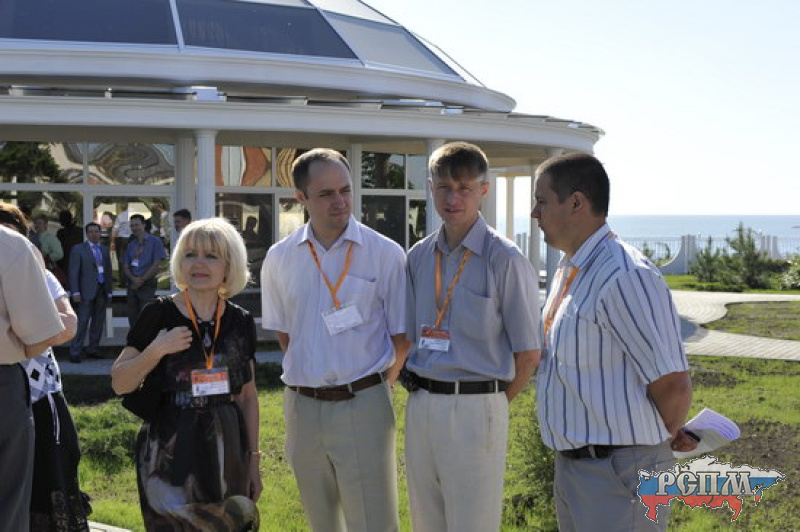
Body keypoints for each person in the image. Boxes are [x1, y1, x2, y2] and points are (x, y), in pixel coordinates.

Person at [531, 152, 695, 532]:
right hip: (576, 470)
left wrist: (655, 444)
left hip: (620, 474)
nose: (535, 213)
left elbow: (673, 384)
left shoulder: (625, 276)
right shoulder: (570, 270)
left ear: (576, 203)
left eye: (541, 201)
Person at [260, 148, 408, 532]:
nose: (339, 201)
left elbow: (402, 336)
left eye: (345, 190)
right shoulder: (279, 258)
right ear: (301, 198)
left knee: (374, 524)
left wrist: (377, 387)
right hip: (302, 408)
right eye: (325, 193)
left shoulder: (385, 254)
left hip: (364, 402)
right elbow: (284, 332)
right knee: (321, 520)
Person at [403, 142, 541, 532]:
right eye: (444, 188)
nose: (453, 199)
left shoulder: (505, 259)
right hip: (421, 403)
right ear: (431, 188)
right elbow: (409, 336)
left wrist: (489, 402)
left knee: (472, 523)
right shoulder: (417, 257)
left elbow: (529, 355)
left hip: (476, 407)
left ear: (484, 190)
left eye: (464, 189)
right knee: (426, 520)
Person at [111, 218, 262, 530]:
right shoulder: (158, 313)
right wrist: (157, 349)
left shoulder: (240, 321)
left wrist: (253, 461)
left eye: (211, 255)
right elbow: (119, 383)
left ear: (229, 265)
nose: (199, 264)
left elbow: (247, 396)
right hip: (169, 445)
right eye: (190, 254)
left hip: (226, 444)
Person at [3, 210, 88, 531]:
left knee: (46, 476)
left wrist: (20, 342)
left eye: (11, 230)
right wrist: (24, 337)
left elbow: (69, 325)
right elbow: (46, 330)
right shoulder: (11, 256)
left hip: (39, 392)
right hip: (12, 386)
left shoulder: (41, 274)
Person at [69, 222, 114, 363]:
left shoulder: (104, 250)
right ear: (87, 234)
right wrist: (75, 292)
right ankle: (75, 351)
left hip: (101, 290)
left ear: (100, 233)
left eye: (96, 231)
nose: (94, 234)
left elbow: (108, 271)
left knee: (98, 323)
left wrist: (109, 291)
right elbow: (73, 272)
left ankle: (93, 349)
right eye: (91, 232)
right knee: (82, 322)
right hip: (85, 292)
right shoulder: (78, 249)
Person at [123, 214, 167, 327]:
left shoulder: (155, 241)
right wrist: (134, 280)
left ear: (144, 225)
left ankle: (145, 339)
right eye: (132, 225)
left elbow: (156, 264)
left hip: (147, 284)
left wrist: (141, 280)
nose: (134, 228)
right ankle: (134, 338)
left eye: (137, 225)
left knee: (146, 317)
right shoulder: (131, 244)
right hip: (132, 285)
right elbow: (126, 266)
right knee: (133, 318)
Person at [56, 210, 84, 288]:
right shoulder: (80, 231)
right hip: (74, 261)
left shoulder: (62, 233)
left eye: (61, 219)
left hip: (66, 262)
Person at [111, 202, 133, 288]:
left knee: (122, 261)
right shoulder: (134, 213)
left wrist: (112, 242)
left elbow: (115, 229)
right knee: (132, 260)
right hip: (132, 238)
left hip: (121, 239)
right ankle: (131, 280)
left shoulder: (121, 216)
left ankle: (123, 282)